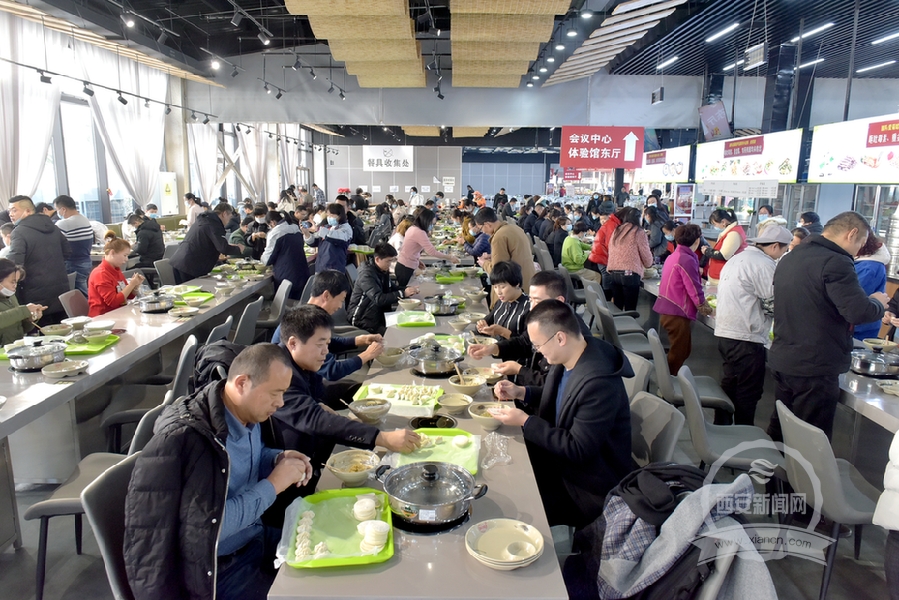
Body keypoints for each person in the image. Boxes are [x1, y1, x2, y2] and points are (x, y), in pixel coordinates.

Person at [124, 344, 313, 600]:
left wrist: (277, 458)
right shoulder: (192, 441)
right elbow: (212, 528)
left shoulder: (245, 412)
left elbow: (245, 459)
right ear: (242, 383)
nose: (280, 404)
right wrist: (273, 485)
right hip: (218, 568)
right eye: (275, 394)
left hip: (254, 538)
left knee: (326, 554)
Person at [488, 300, 632, 528]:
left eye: (538, 345)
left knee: (511, 498)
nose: (537, 351)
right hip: (561, 461)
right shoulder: (571, 355)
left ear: (560, 338)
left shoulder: (599, 382)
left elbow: (578, 449)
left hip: (586, 485)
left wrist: (526, 421)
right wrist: (521, 392)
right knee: (500, 467)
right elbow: (559, 398)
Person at [268, 305, 419, 503]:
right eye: (320, 345)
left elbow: (313, 406)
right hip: (288, 470)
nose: (326, 352)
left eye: (328, 344)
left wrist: (319, 404)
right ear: (293, 343)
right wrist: (382, 438)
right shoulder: (277, 373)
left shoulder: (302, 361)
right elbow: (313, 419)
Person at [767, 211, 889, 442]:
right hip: (814, 367)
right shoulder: (836, 261)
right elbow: (858, 311)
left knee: (782, 428)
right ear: (851, 234)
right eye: (861, 244)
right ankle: (802, 480)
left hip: (784, 358)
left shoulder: (792, 256)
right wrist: (877, 303)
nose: (858, 251)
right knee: (811, 441)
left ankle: (773, 477)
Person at [714, 225, 792, 426]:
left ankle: (720, 431)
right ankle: (743, 436)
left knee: (729, 386)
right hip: (745, 338)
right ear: (775, 246)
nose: (783, 254)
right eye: (785, 250)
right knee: (748, 392)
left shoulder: (738, 258)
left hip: (726, 332)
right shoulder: (764, 264)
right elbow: (773, 303)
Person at [272, 270, 384, 384]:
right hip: (299, 385)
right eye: (341, 300)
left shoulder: (307, 314)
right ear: (326, 295)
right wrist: (367, 355)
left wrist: (360, 340)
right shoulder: (306, 323)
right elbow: (332, 371)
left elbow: (329, 343)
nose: (340, 306)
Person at [652, 224, 710, 376]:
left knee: (681, 350)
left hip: (669, 308)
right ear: (697, 240)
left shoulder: (675, 256)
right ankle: (667, 385)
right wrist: (703, 306)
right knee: (679, 352)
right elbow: (693, 287)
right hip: (676, 311)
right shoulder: (686, 259)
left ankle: (667, 382)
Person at [7, 195, 71, 323]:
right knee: (63, 332)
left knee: (43, 336)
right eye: (9, 211)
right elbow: (68, 252)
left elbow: (14, 265)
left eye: (14, 210)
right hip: (60, 288)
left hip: (34, 292)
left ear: (28, 211)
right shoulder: (53, 226)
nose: (10, 214)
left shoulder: (19, 232)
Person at [347, 244, 418, 335]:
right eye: (388, 261)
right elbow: (379, 298)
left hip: (378, 315)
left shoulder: (382, 270)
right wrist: (403, 293)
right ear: (377, 259)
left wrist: (409, 289)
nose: (390, 264)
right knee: (398, 334)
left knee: (408, 324)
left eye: (392, 261)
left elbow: (392, 288)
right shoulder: (366, 274)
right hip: (362, 319)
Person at [169, 204, 244, 284]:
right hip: (190, 265)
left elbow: (210, 242)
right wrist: (239, 248)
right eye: (229, 217)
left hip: (182, 261)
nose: (229, 221)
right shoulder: (214, 224)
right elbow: (223, 248)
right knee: (192, 294)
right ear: (224, 214)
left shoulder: (205, 219)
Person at [474, 207, 535, 297]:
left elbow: (498, 272)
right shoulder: (514, 228)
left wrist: (484, 264)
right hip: (528, 282)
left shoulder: (499, 237)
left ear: (487, 224)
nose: (483, 232)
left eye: (481, 228)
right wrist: (493, 256)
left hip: (513, 288)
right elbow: (515, 254)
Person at [395, 208, 459, 289]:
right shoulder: (419, 232)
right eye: (431, 223)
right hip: (405, 268)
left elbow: (410, 249)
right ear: (426, 221)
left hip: (403, 265)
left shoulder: (413, 228)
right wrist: (450, 257)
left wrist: (417, 261)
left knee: (406, 291)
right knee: (406, 294)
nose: (431, 226)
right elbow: (432, 252)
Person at [606, 207, 653, 312]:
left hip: (613, 273)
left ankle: (617, 328)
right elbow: (647, 257)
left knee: (617, 308)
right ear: (638, 219)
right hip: (629, 275)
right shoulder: (638, 232)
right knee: (630, 309)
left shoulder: (617, 230)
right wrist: (649, 264)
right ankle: (630, 327)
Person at [87, 238, 144, 316]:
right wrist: (131, 285)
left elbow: (128, 296)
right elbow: (113, 302)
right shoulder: (100, 274)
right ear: (112, 253)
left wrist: (135, 286)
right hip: (103, 317)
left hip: (119, 313)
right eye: (125, 255)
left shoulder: (116, 270)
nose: (126, 259)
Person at [476, 261, 529, 340]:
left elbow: (527, 344)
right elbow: (486, 322)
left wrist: (502, 332)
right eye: (495, 287)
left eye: (502, 287)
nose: (498, 292)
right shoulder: (501, 302)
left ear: (517, 283)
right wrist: (481, 326)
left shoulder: (529, 307)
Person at [262, 211, 309, 301]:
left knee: (285, 307)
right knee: (299, 306)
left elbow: (267, 260)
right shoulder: (295, 228)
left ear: (272, 222)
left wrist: (261, 259)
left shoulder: (276, 232)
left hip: (286, 276)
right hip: (302, 274)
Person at [53, 195, 94, 296]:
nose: (57, 213)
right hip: (86, 261)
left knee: (79, 295)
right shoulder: (84, 219)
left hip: (73, 264)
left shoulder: (64, 223)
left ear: (63, 209)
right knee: (83, 290)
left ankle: (91, 311)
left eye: (57, 210)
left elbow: (53, 240)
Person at [854, 235, 891, 341]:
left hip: (861, 326)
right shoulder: (862, 263)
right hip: (859, 322)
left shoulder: (870, 266)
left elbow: (856, 296)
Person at [0, 260, 44, 344]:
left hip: (16, 347)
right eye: (12, 282)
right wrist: (24, 310)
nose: (15, 285)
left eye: (16, 282)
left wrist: (31, 319)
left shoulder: (11, 296)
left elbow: (21, 328)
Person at [303, 202, 353, 274]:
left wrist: (318, 229)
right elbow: (314, 242)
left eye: (331, 215)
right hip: (321, 266)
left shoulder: (346, 229)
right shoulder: (327, 227)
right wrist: (306, 233)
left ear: (340, 216)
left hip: (334, 268)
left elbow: (335, 237)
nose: (329, 218)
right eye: (328, 215)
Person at [703, 208, 747, 284]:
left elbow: (724, 255)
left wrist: (707, 251)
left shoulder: (733, 234)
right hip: (719, 274)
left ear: (723, 222)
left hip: (724, 276)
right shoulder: (730, 232)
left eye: (715, 224)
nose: (715, 227)